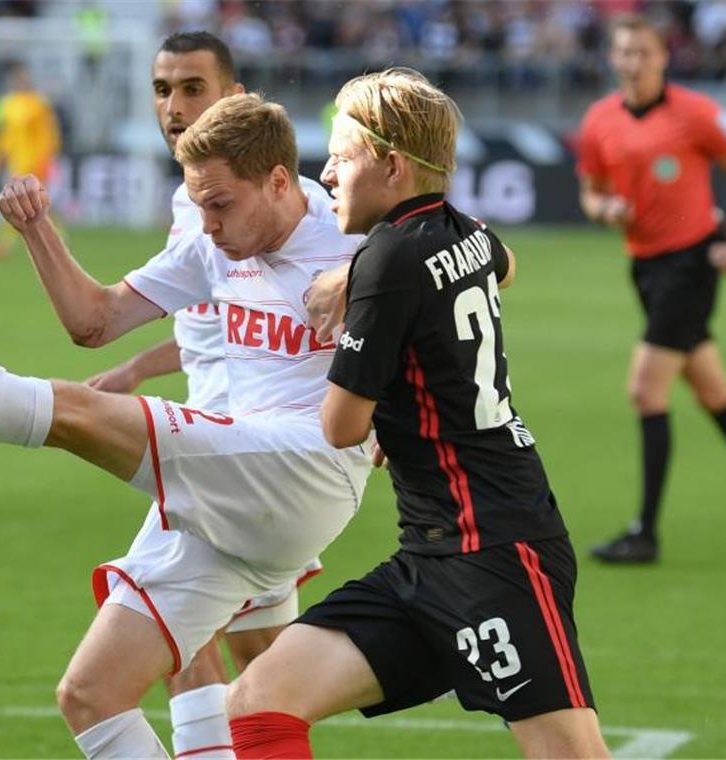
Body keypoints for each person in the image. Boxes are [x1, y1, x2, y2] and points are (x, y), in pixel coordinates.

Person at [0, 91, 370, 757]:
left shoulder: (354, 228)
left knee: (76, 415)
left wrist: (365, 270)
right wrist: (36, 229)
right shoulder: (211, 243)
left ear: (279, 181)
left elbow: (480, 251)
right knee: (90, 694)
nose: (209, 224)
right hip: (244, 483)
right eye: (198, 205)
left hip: (309, 464)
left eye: (220, 204)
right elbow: (94, 321)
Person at [224, 68, 609, 759]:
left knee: (571, 754)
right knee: (259, 697)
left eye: (342, 156)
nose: (328, 172)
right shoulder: (462, 229)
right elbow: (503, 262)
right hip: (429, 555)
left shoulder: (391, 256)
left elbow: (341, 425)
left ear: (393, 165)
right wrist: (363, 281)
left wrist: (350, 310)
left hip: (494, 550)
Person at [81, 31, 326, 757]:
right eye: (162, 89)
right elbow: (210, 326)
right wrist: (138, 370)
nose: (175, 106)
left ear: (237, 99)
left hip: (238, 445)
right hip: (216, 428)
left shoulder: (280, 205)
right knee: (262, 667)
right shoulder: (188, 200)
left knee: (156, 653)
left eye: (193, 87)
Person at [576, 14, 726, 564]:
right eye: (625, 53)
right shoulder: (599, 120)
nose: (634, 62)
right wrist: (606, 210)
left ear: (664, 57)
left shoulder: (697, 113)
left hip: (690, 263)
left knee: (647, 389)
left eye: (644, 52)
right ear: (614, 59)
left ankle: (645, 533)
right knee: (714, 393)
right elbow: (590, 195)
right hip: (644, 268)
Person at [0, 61, 63, 260]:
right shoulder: (9, 104)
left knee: (20, 201)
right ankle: (60, 237)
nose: (21, 80)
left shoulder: (39, 104)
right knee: (32, 203)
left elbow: (49, 135)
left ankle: (4, 243)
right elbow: (4, 135)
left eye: (24, 77)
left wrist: (47, 159)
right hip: (16, 160)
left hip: (34, 161)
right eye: (18, 77)